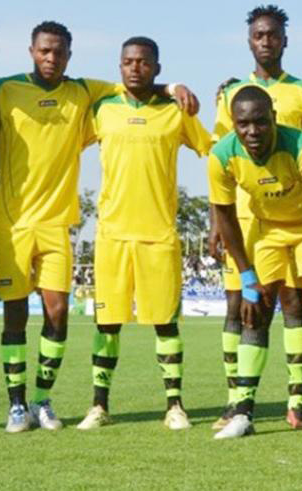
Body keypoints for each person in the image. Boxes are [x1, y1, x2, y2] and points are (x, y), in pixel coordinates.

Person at [0, 21, 199, 433]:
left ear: (70, 55)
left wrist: (172, 87)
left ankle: (49, 401)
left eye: (60, 52)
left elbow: (144, 95)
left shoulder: (90, 94)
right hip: (28, 223)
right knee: (32, 316)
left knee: (66, 314)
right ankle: (41, 406)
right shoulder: (10, 90)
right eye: (44, 51)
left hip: (85, 226)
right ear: (32, 51)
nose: (52, 59)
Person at [75, 36, 211, 431]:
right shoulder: (103, 109)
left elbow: (212, 150)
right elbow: (64, 147)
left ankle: (175, 405)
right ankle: (99, 406)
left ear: (157, 67)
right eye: (128, 62)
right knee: (107, 325)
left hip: (159, 235)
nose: (135, 68)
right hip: (112, 236)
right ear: (119, 67)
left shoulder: (176, 112)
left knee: (165, 323)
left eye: (144, 62)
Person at [208, 86, 302, 442]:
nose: (252, 132)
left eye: (260, 122)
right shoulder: (221, 155)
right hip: (266, 231)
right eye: (243, 124)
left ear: (274, 118)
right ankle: (242, 412)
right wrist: (245, 275)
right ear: (234, 125)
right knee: (253, 309)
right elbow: (225, 218)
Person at [209, 4, 302, 430]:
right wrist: (214, 224)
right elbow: (219, 160)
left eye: (273, 35)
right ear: (249, 40)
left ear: (284, 40)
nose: (266, 42)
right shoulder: (230, 93)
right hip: (243, 220)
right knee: (241, 306)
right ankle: (235, 399)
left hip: (292, 215)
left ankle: (297, 399)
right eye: (259, 35)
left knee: (296, 304)